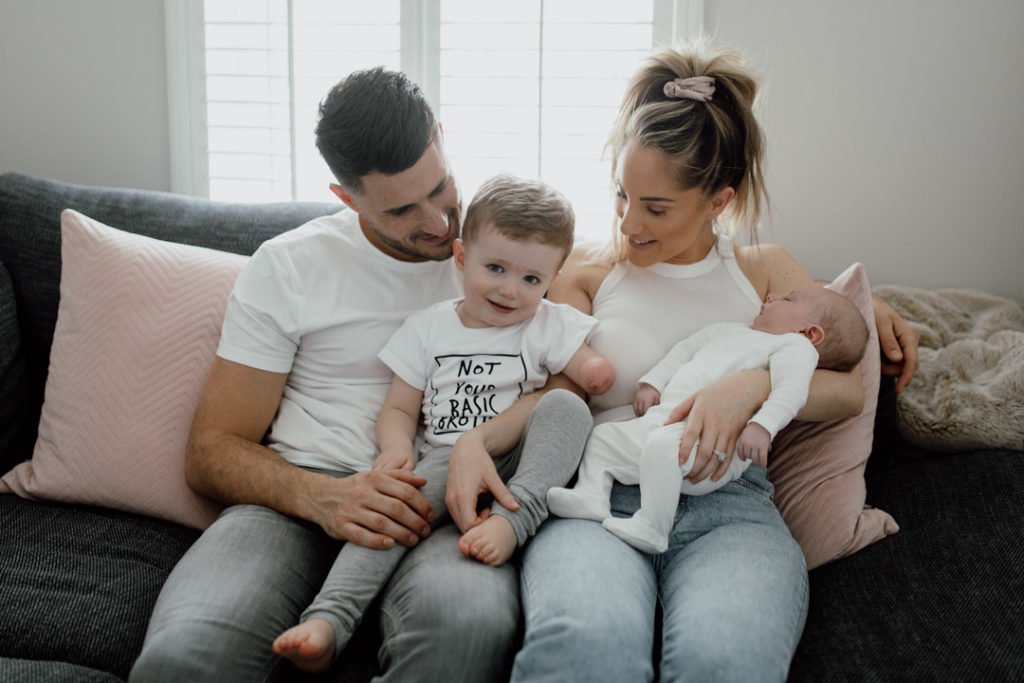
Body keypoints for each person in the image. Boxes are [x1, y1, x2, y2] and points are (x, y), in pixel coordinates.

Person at [129, 68, 593, 683]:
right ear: (346, 198)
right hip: (295, 503)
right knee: (181, 662)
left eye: (441, 187)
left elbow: (569, 382)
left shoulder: (502, 251)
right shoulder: (290, 266)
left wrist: (480, 443)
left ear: (443, 141)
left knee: (467, 631)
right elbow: (210, 452)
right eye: (402, 208)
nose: (436, 222)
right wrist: (324, 498)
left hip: (444, 504)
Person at [505, 42, 919, 682]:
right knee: (585, 650)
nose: (628, 223)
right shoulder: (585, 272)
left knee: (726, 662)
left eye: (656, 208)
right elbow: (553, 397)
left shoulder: (761, 270)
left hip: (729, 508)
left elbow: (847, 389)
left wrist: (750, 387)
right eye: (621, 195)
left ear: (718, 201)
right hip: (606, 492)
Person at [271, 174, 614, 672]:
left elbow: (585, 371)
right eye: (494, 267)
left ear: (552, 279)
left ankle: (512, 522)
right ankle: (330, 617)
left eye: (531, 280)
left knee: (566, 408)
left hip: (517, 462)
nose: (509, 290)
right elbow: (399, 409)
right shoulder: (429, 327)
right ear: (460, 257)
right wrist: (395, 450)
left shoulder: (547, 323)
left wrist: (595, 371)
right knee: (391, 508)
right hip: (442, 457)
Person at [547, 285, 869, 554]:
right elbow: (684, 351)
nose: (771, 298)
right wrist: (653, 381)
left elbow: (792, 391)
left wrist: (762, 426)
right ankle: (591, 495)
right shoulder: (729, 331)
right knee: (604, 439)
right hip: (661, 425)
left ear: (809, 332)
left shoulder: (794, 347)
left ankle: (653, 526)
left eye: (786, 300)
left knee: (664, 447)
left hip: (712, 449)